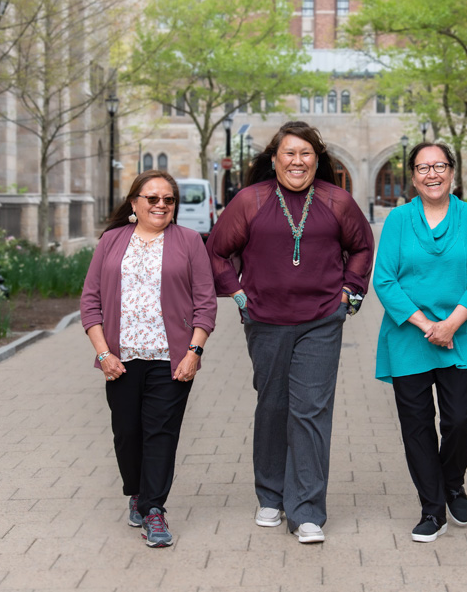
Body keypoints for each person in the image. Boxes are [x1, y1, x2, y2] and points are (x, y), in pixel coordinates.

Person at [206, 121, 374, 543]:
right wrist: (239, 297)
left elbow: (361, 247)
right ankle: (271, 494)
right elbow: (218, 253)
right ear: (275, 158)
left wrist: (349, 295)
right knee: (274, 405)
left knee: (311, 410)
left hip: (321, 320)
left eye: (306, 154)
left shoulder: (337, 201)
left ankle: (307, 511)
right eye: (289, 154)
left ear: (318, 160)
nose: (297, 162)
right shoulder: (251, 201)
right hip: (265, 321)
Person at [80, 170, 217, 548]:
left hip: (170, 361)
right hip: (119, 360)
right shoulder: (111, 241)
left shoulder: (190, 242)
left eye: (168, 200)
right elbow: (90, 302)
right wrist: (103, 353)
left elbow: (205, 304)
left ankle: (154, 510)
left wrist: (194, 352)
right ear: (134, 202)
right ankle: (137, 492)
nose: (161, 205)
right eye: (152, 198)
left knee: (161, 434)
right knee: (127, 433)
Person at [372, 142, 467, 543]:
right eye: (423, 168)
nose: (432, 174)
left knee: (460, 419)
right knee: (417, 426)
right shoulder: (397, 220)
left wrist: (451, 324)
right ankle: (432, 510)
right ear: (412, 176)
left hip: (459, 336)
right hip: (409, 336)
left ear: (452, 171)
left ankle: (453, 482)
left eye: (439, 166)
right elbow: (385, 279)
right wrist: (427, 324)